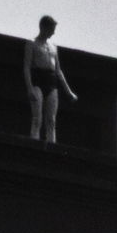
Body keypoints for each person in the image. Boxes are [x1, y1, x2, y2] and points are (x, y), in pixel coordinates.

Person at [24, 16, 77, 145]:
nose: (53, 32)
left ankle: (52, 145)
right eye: (51, 29)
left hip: (51, 81)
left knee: (51, 119)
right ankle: (34, 143)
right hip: (37, 79)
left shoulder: (54, 47)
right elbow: (26, 67)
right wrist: (29, 87)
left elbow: (58, 70)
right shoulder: (31, 43)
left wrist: (68, 91)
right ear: (43, 27)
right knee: (37, 117)